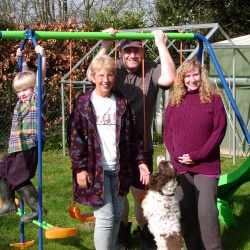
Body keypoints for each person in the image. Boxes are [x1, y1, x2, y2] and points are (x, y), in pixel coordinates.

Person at [93, 28, 176, 250]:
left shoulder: (150, 69)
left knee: (142, 196)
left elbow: (169, 78)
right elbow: (93, 74)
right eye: (127, 50)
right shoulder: (115, 69)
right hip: (114, 149)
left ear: (143, 52)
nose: (132, 55)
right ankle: (122, 232)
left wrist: (160, 43)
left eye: (136, 51)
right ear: (120, 53)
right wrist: (105, 44)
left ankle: (145, 234)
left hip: (142, 147)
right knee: (119, 194)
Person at [67, 55, 150, 250]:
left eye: (110, 75)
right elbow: (75, 139)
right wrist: (80, 168)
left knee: (117, 214)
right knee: (105, 217)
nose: (106, 80)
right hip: (96, 170)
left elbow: (134, 136)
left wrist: (141, 161)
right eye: (101, 75)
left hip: (120, 169)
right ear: (93, 77)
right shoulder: (83, 104)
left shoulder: (122, 102)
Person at [164, 58, 227, 250]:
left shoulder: (214, 98)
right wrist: (174, 155)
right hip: (181, 167)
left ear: (202, 76)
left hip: (205, 166)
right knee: (187, 212)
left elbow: (219, 130)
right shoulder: (175, 101)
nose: (192, 79)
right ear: (181, 79)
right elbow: (167, 130)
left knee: (206, 214)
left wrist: (198, 155)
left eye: (195, 75)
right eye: (187, 76)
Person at [0, 45, 47, 222]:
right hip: (16, 147)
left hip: (29, 145)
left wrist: (42, 57)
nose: (22, 94)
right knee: (1, 171)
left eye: (25, 90)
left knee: (17, 178)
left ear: (33, 89)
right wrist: (24, 61)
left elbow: (38, 79)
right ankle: (9, 203)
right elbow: (27, 79)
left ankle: (38, 209)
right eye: (19, 91)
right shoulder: (21, 102)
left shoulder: (36, 99)